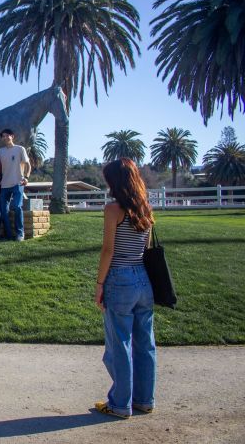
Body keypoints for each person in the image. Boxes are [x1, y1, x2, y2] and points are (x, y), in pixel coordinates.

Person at [94, 158, 156, 419]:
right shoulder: (145, 208)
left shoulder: (113, 210)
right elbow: (146, 246)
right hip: (144, 278)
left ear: (115, 181)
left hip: (119, 278)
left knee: (120, 344)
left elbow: (108, 250)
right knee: (145, 343)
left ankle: (120, 403)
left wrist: (99, 284)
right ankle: (144, 399)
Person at [0, 129, 30, 241]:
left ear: (12, 136)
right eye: (3, 136)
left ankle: (20, 233)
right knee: (3, 210)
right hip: (4, 185)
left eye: (7, 135)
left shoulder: (20, 149)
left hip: (18, 183)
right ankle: (9, 235)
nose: (5, 138)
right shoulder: (0, 152)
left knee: (17, 206)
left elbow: (28, 165)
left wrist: (27, 177)